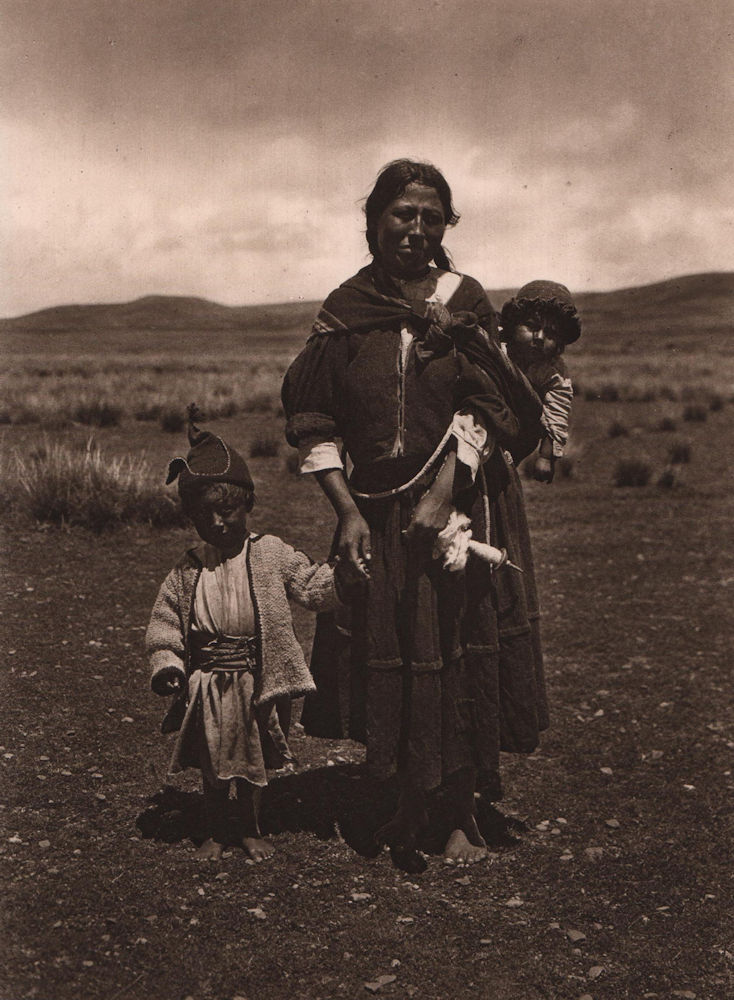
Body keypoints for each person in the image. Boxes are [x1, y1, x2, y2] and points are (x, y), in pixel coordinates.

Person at [282, 159, 549, 872]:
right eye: (404, 213)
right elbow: (314, 418)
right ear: (374, 219)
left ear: (446, 226)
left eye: (432, 216)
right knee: (394, 648)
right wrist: (345, 512)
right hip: (374, 513)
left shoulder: (465, 301)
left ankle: (459, 811)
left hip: (460, 511)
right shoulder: (344, 312)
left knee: (459, 648)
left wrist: (442, 494)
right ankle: (405, 799)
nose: (418, 228)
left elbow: (489, 403)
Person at [146, 408, 345, 862]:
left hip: (259, 680)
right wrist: (167, 665)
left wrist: (345, 578)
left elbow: (312, 588)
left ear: (248, 504)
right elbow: (165, 624)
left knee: (254, 762)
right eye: (203, 515)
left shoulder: (271, 554)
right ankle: (217, 829)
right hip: (208, 684)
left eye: (226, 510)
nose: (217, 523)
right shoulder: (188, 568)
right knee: (215, 765)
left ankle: (252, 828)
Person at [500, 281, 581, 483]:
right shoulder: (496, 347)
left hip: (515, 436)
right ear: (513, 324)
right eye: (532, 327)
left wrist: (545, 458)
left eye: (551, 334)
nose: (540, 337)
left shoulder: (553, 372)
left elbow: (557, 412)